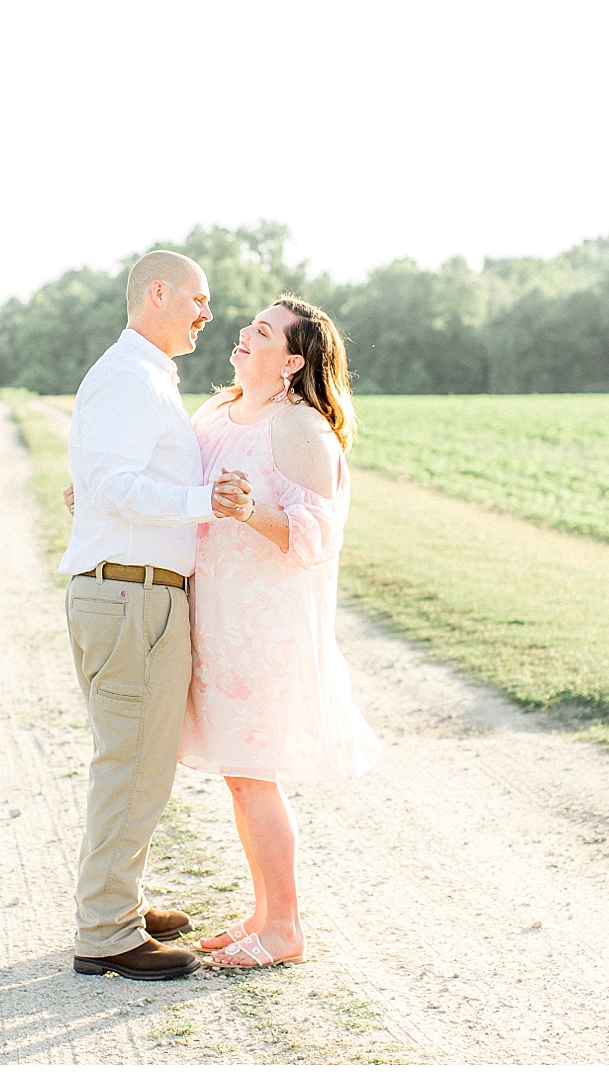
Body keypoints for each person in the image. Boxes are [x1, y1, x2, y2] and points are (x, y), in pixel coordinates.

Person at [58, 249, 246, 981]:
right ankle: (105, 930)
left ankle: (118, 902)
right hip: (131, 596)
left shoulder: (142, 376)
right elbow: (112, 483)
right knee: (130, 766)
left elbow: (98, 483)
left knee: (138, 761)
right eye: (198, 299)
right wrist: (207, 502)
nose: (208, 313)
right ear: (157, 293)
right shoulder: (130, 379)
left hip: (136, 595)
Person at [181, 294, 381, 969]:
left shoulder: (300, 428)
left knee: (254, 774)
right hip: (218, 617)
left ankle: (285, 926)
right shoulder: (217, 411)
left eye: (261, 331)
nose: (243, 333)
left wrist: (249, 509)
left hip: (265, 630)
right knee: (240, 775)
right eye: (250, 324)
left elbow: (317, 534)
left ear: (293, 361)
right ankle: (262, 913)